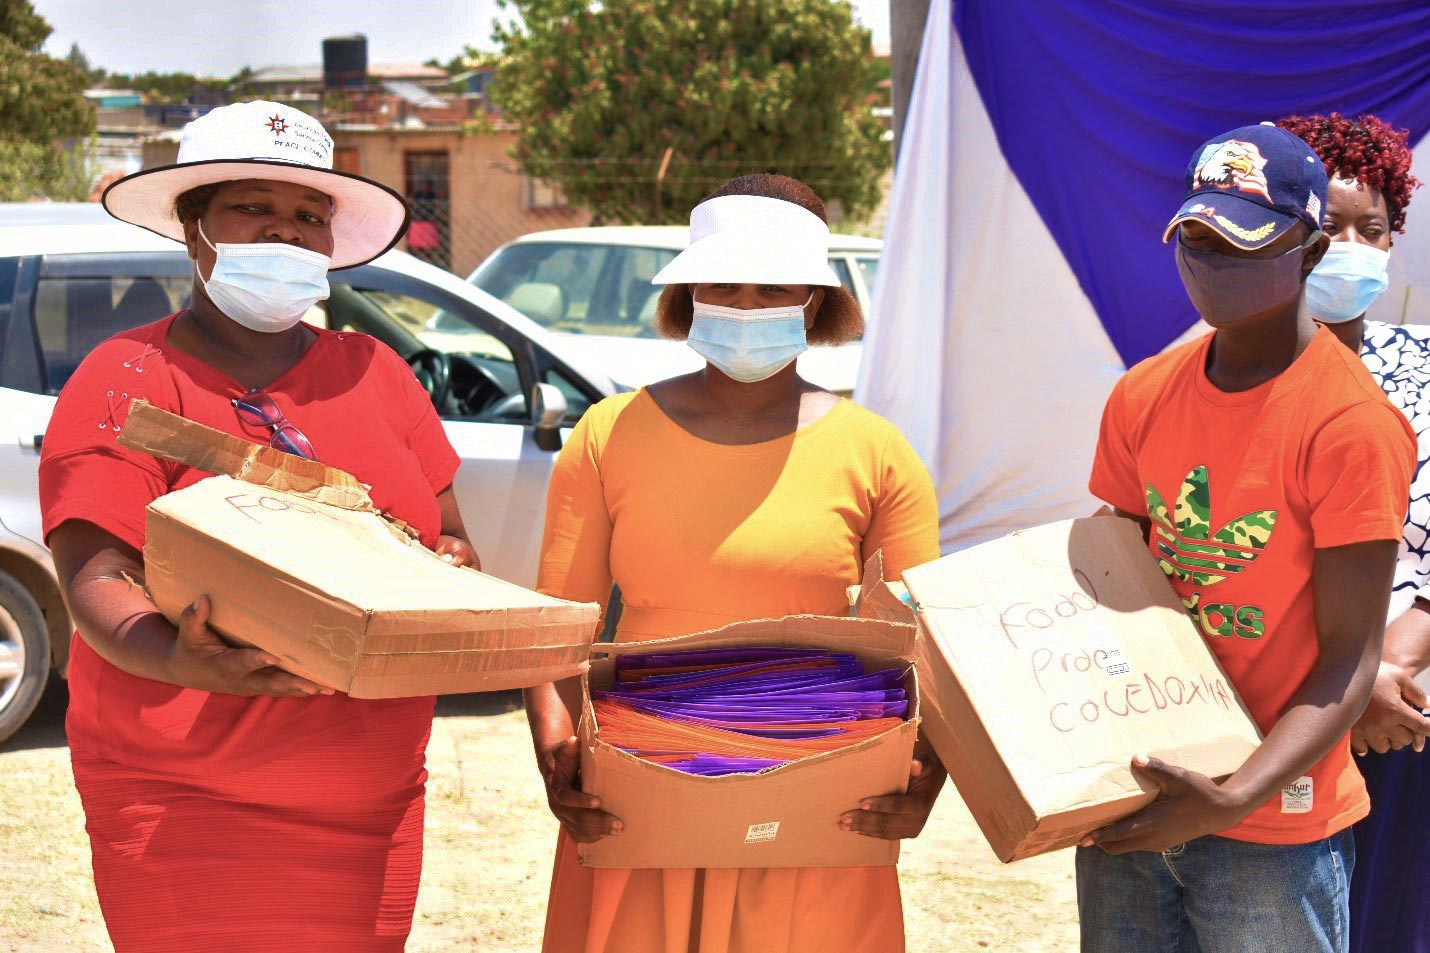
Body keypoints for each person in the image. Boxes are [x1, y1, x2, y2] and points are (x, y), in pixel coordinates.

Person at [41, 100, 478, 952]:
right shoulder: (129, 376)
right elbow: (94, 576)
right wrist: (174, 653)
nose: (287, 233)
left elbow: (447, 534)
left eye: (310, 216)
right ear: (194, 226)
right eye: (255, 209)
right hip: (185, 799)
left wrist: (447, 569)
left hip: (370, 797)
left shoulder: (376, 371)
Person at [524, 173, 944, 953]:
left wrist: (924, 781)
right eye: (722, 285)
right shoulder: (606, 435)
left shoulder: (878, 455)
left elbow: (931, 649)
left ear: (814, 302)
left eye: (773, 287)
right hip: (639, 797)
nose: (745, 307)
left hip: (817, 806)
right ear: (687, 294)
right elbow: (556, 631)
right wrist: (559, 759)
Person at [1079, 123, 1416, 952]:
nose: (1213, 260)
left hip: (1275, 827)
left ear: (1306, 253)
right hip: (1137, 796)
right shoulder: (1141, 395)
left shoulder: (1351, 425)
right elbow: (1110, 589)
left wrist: (1235, 795)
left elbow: (1349, 659)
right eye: (1197, 237)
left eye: (1244, 242)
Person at [1278, 111, 1430, 953]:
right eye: (1329, 226)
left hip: (1404, 713)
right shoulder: (1232, 371)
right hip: (1277, 705)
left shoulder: (1425, 369)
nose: (1351, 245)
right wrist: (1341, 688)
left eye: (1371, 229)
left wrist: (1388, 673)